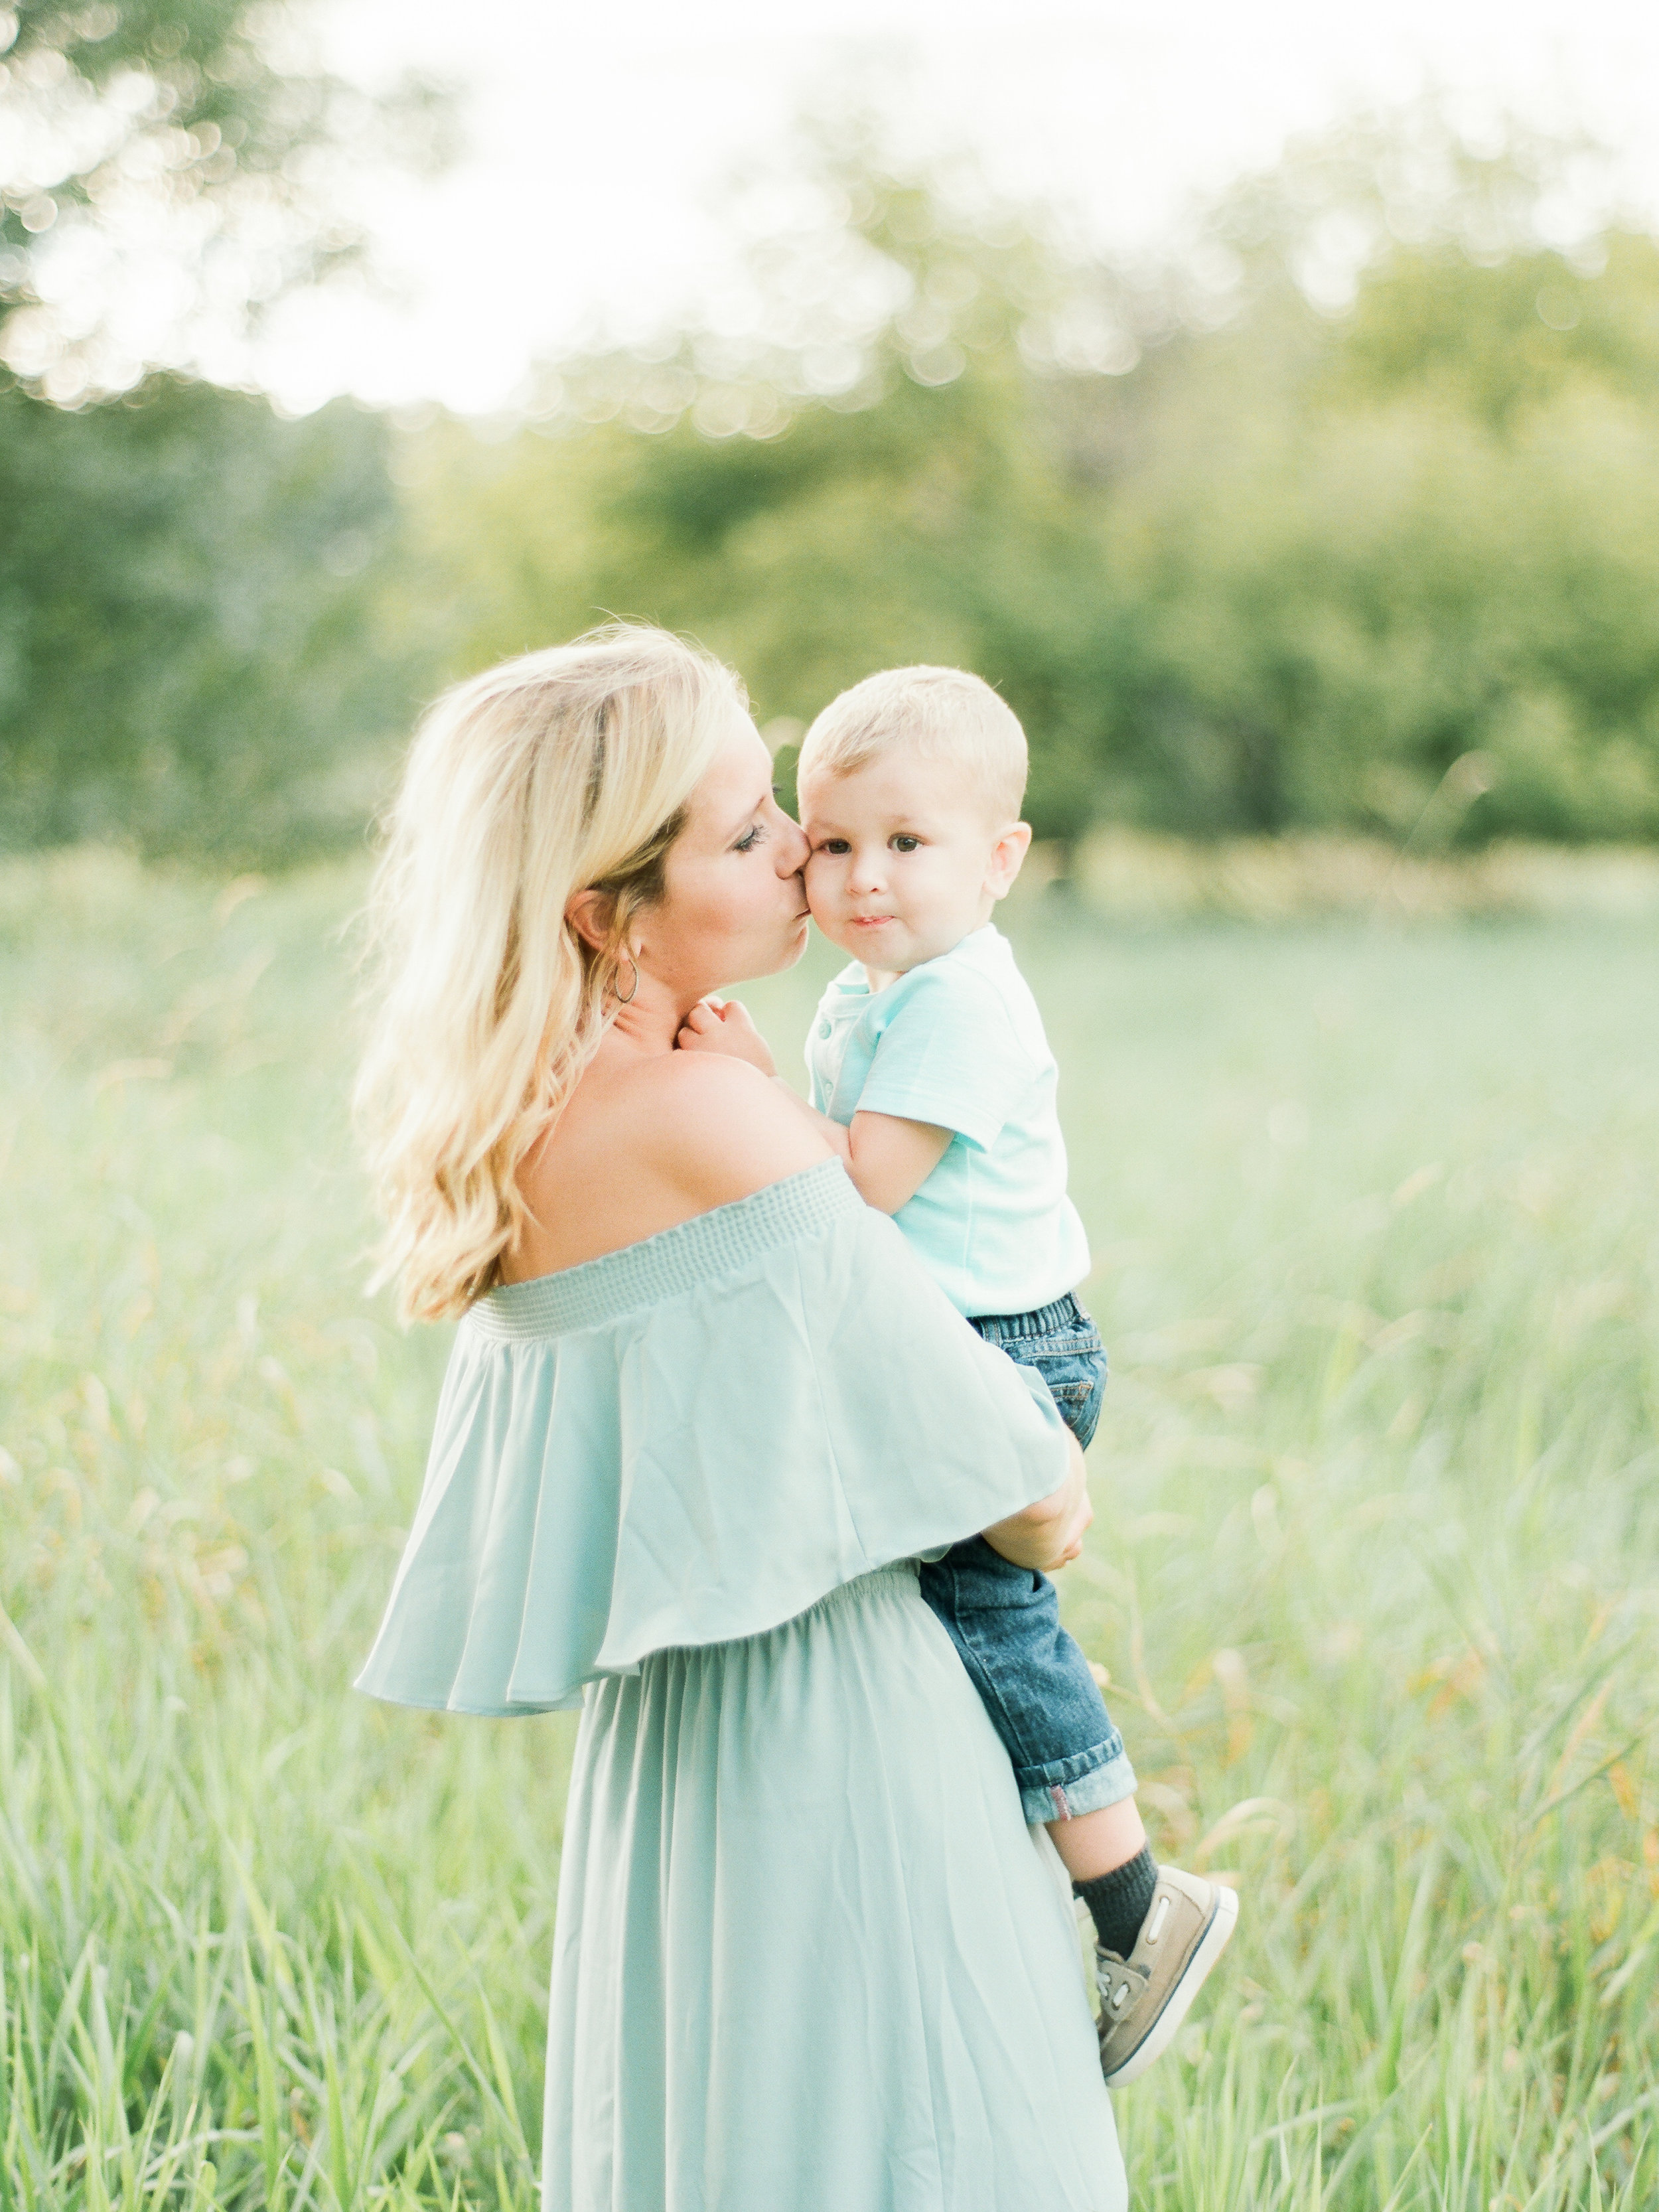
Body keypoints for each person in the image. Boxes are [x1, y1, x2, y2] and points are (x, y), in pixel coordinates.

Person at [353, 625, 1129, 2211]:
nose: (804, 850)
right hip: (847, 1724)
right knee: (931, 2138)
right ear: (603, 911)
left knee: (713, 2135)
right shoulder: (708, 1114)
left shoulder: (519, 1129)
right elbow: (1024, 1484)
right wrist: (1039, 1465)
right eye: (744, 830)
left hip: (676, 1748)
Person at [677, 665, 1236, 2083]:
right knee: (935, 1605)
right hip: (947, 1335)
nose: (862, 878)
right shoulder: (879, 992)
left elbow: (858, 1186)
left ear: (999, 859)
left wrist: (741, 1089)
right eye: (833, 841)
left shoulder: (957, 1003)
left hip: (1004, 1348)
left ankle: (1132, 1894)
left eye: (907, 843)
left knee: (992, 1608)